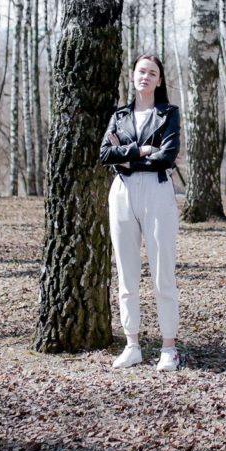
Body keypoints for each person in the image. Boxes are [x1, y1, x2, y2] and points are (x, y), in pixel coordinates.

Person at [99, 53, 183, 371]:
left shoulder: (168, 114)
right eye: (140, 71)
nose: (145, 76)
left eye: (152, 73)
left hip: (158, 191)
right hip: (122, 191)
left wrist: (127, 157)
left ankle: (168, 347)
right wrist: (141, 149)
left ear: (159, 80)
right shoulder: (119, 115)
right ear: (133, 76)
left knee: (163, 273)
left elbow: (167, 156)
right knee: (126, 272)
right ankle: (131, 344)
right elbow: (105, 154)